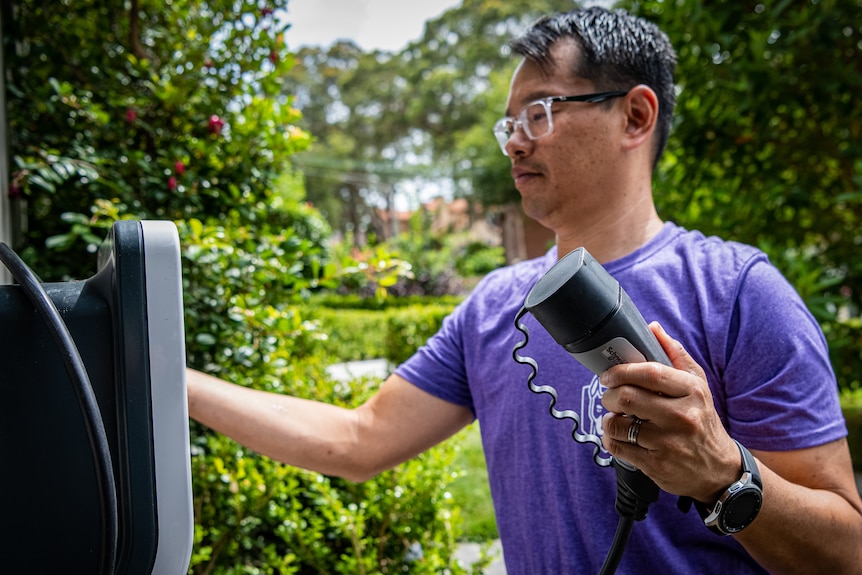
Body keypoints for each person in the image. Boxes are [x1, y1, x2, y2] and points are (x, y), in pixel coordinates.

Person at [187, 7, 862, 574]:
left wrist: (723, 472)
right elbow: (358, 439)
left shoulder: (741, 293)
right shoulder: (490, 306)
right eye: (509, 124)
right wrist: (169, 378)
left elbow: (846, 550)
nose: (514, 144)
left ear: (634, 115)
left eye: (538, 113)